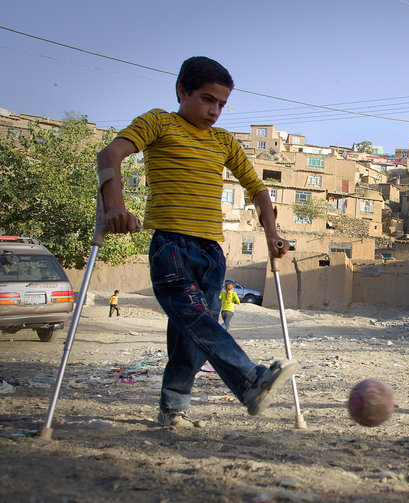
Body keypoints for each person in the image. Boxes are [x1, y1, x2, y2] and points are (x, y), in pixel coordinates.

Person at [97, 56, 296, 429]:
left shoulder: (223, 141)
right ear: (181, 91)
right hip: (171, 245)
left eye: (221, 104)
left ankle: (173, 408)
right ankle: (249, 380)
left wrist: (272, 234)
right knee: (196, 317)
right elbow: (110, 155)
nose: (215, 111)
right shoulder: (158, 122)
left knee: (189, 331)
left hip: (212, 252)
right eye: (207, 99)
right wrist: (115, 208)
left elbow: (257, 190)